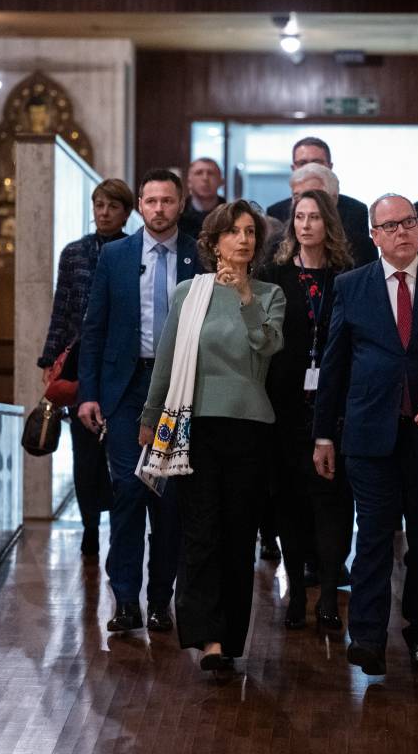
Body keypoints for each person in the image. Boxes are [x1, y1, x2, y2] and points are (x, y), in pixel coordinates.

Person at [312, 194, 418, 675]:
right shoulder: (351, 286)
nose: (403, 232)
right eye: (390, 226)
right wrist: (323, 435)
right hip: (370, 436)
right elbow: (335, 363)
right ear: (374, 236)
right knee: (371, 538)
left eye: (409, 222)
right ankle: (366, 638)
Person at [140, 200, 285, 670]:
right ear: (214, 241)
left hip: (250, 428)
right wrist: (149, 416)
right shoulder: (189, 293)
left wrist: (245, 298)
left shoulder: (268, 295)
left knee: (238, 535)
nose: (244, 239)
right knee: (201, 531)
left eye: (250, 233)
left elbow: (266, 348)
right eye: (234, 232)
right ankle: (209, 641)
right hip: (195, 424)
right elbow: (166, 358)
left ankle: (230, 636)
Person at [78, 169, 203, 634]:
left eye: (167, 201)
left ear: (180, 202)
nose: (157, 209)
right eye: (150, 201)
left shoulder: (198, 255)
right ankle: (125, 600)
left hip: (175, 391)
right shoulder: (115, 255)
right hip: (127, 387)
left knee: (165, 496)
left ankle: (159, 599)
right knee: (129, 489)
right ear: (140, 206)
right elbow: (93, 329)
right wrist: (88, 393)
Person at [261, 189, 354, 634]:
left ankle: (331, 593)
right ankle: (297, 591)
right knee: (290, 503)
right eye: (299, 217)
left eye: (314, 217)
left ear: (327, 224)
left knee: (332, 504)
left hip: (332, 409)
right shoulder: (274, 277)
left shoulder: (348, 278)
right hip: (284, 408)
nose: (305, 225)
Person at [38, 178, 132, 557]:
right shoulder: (74, 253)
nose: (104, 212)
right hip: (80, 357)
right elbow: (61, 307)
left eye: (112, 206)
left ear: (126, 211)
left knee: (121, 446)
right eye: (98, 205)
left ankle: (123, 523)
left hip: (124, 356)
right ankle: (90, 525)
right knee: (85, 449)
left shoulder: (133, 249)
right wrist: (49, 359)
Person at [266, 137, 377, 266]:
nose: (305, 203)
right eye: (297, 196)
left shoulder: (355, 216)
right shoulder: (276, 217)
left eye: (315, 195)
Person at [178, 158, 225, 242]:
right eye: (199, 173)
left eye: (210, 173)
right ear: (189, 182)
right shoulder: (177, 214)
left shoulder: (232, 214)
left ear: (221, 181)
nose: (205, 178)